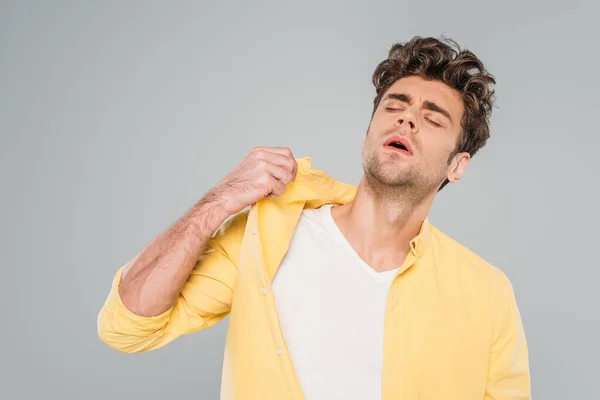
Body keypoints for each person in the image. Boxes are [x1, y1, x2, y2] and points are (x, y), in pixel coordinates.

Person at [98, 36, 531, 399]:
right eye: (395, 106)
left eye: (432, 119)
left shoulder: (486, 293)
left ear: (457, 165)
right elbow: (128, 326)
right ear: (367, 135)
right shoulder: (268, 234)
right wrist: (219, 201)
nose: (406, 119)